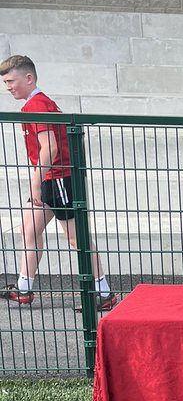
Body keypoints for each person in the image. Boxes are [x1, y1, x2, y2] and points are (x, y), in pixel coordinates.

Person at [1, 54, 117, 310]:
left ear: (29, 78)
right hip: (51, 178)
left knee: (77, 239)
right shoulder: (35, 104)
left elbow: (49, 147)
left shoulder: (37, 106)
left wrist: (36, 180)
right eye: (5, 82)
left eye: (11, 81)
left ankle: (103, 292)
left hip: (58, 179)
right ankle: (24, 287)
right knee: (29, 230)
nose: (8, 86)